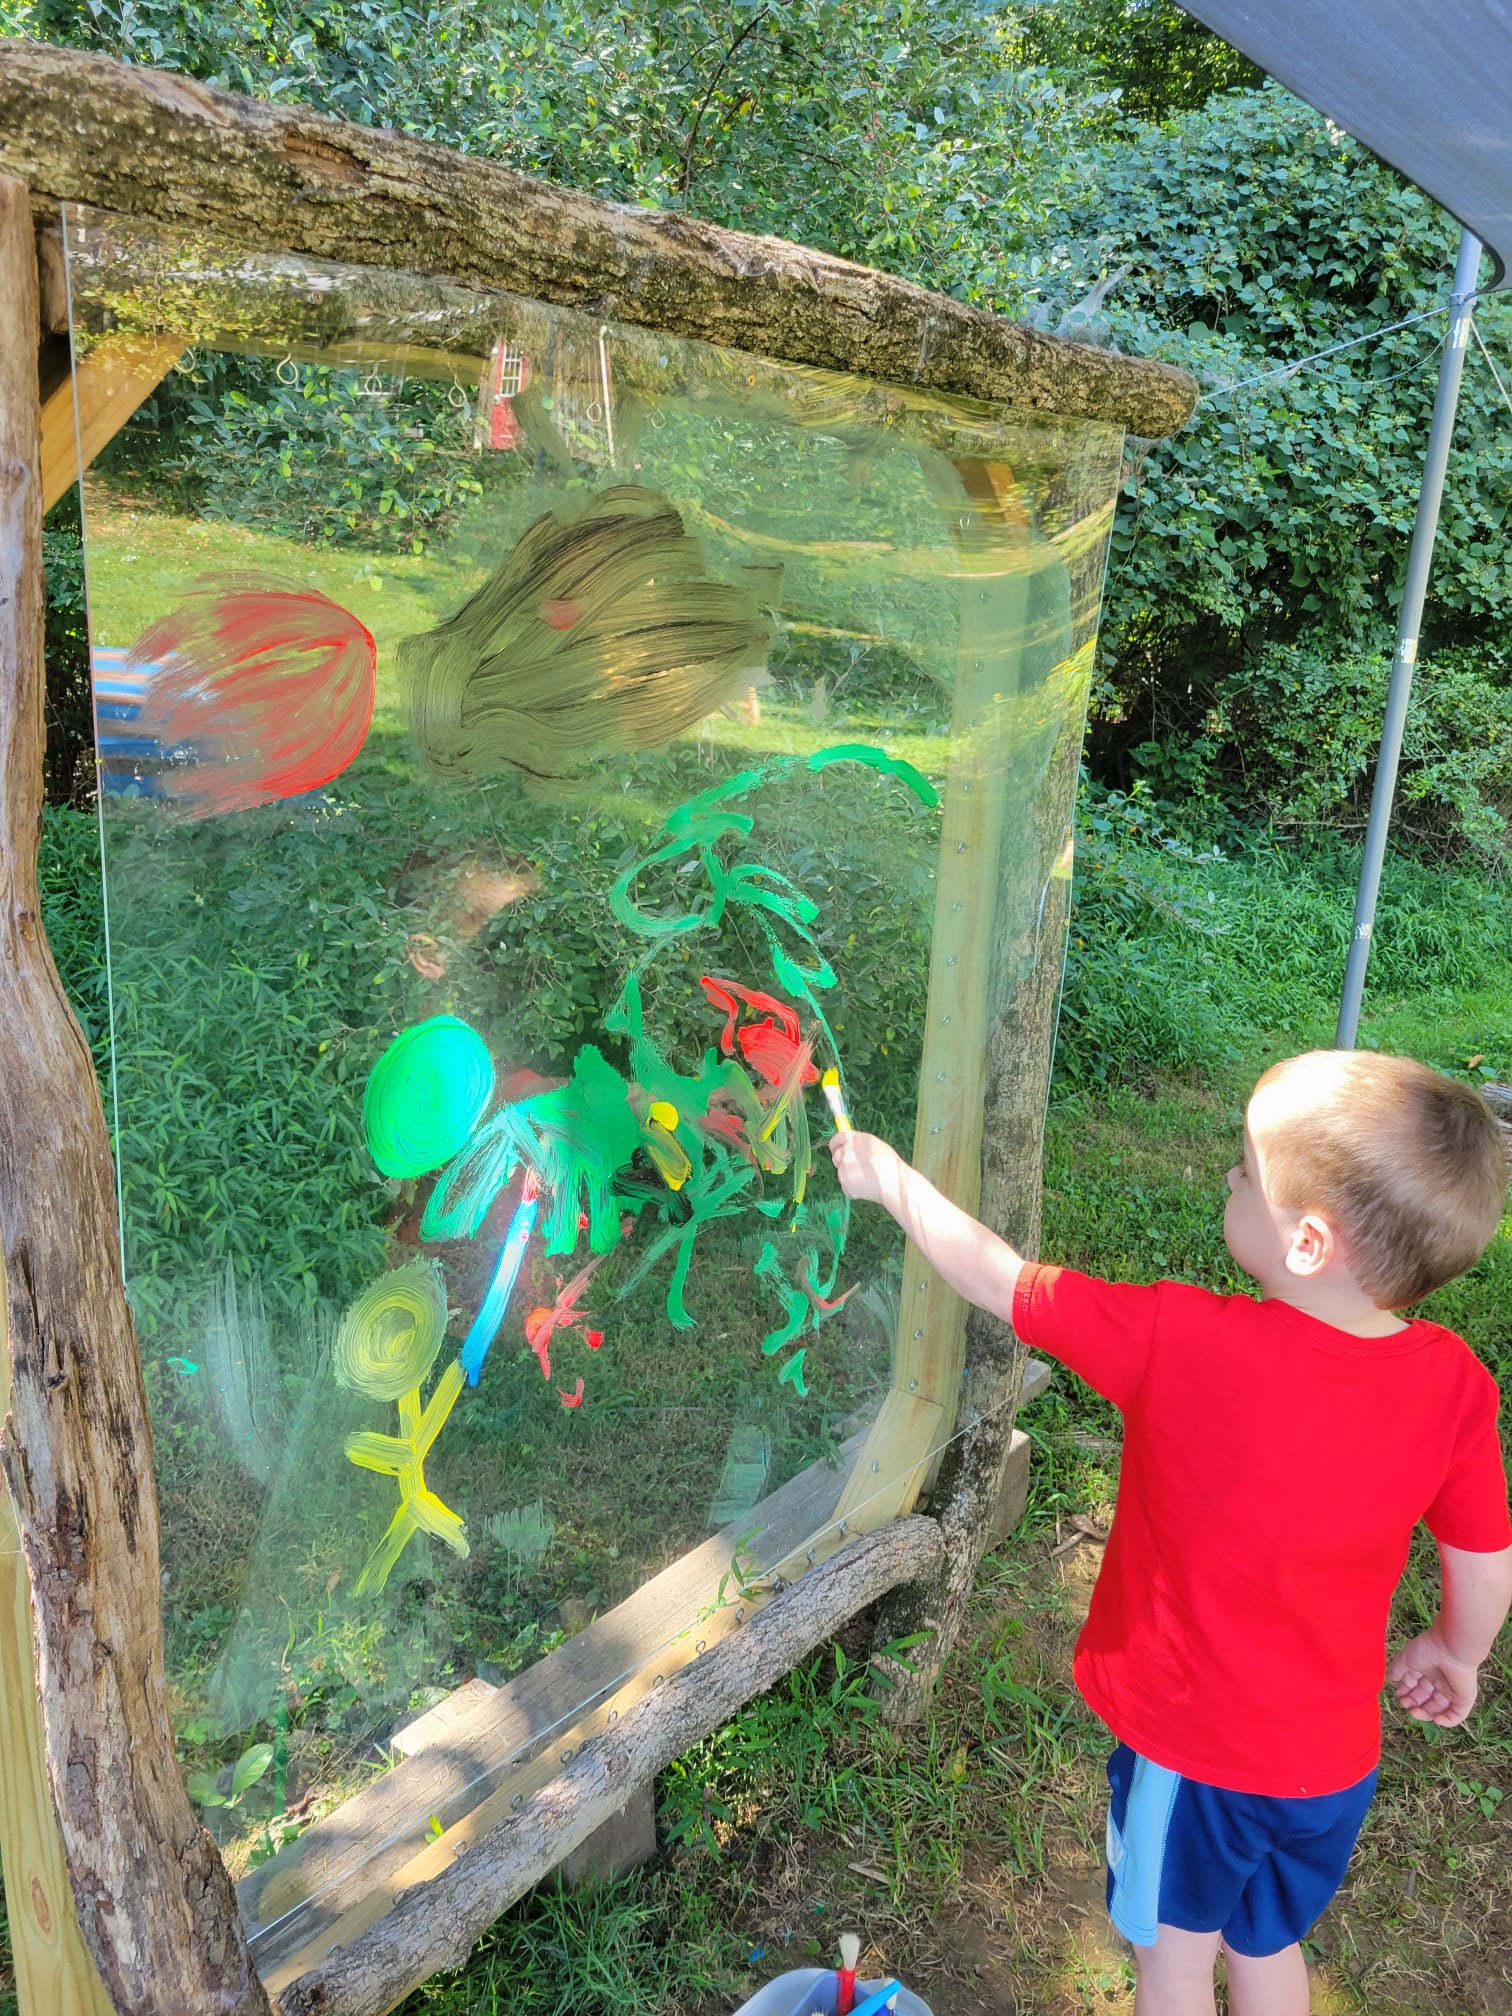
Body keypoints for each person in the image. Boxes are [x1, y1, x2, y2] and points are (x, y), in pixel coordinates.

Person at [828, 1050, 1512, 2016]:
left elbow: (1003, 1279)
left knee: (1174, 1965)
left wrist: (892, 1179)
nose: (1229, 1174)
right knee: (1266, 1943)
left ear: (1309, 1243)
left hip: (1202, 1761)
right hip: (1332, 1773)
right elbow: (1483, 1559)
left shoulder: (1182, 1340)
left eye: (1248, 1170)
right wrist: (1456, 1650)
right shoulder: (1455, 1384)